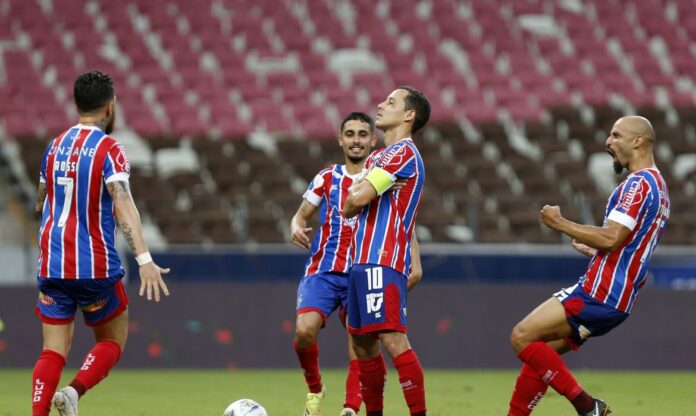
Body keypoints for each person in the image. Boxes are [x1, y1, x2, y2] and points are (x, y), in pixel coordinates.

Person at [507, 116, 670, 416]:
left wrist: (560, 223)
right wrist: (596, 252)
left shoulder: (638, 184)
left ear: (638, 141)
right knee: (541, 356)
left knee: (521, 336)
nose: (608, 142)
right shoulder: (659, 188)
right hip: (617, 301)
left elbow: (611, 238)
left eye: (616, 135)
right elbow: (631, 253)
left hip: (600, 292)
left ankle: (587, 406)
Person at [30, 71, 170, 416]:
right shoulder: (109, 148)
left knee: (52, 352)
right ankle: (74, 393)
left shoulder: (55, 145)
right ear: (110, 107)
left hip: (52, 263)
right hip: (93, 265)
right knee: (111, 341)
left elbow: (40, 199)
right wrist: (144, 258)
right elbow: (121, 199)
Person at [342, 86, 430, 416]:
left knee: (393, 340)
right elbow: (354, 204)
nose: (380, 104)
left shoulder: (402, 152)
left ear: (409, 115)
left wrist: (358, 193)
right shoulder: (380, 157)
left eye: (390, 102)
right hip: (360, 262)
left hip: (381, 259)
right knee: (364, 347)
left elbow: (356, 200)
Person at [290, 112, 377, 416]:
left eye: (362, 134)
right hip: (324, 271)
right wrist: (296, 227)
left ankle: (351, 408)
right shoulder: (327, 177)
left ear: (372, 140)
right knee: (304, 331)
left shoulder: (382, 177)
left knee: (361, 344)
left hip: (364, 273)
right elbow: (301, 215)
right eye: (350, 134)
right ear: (341, 140)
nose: (356, 140)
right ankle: (315, 389)